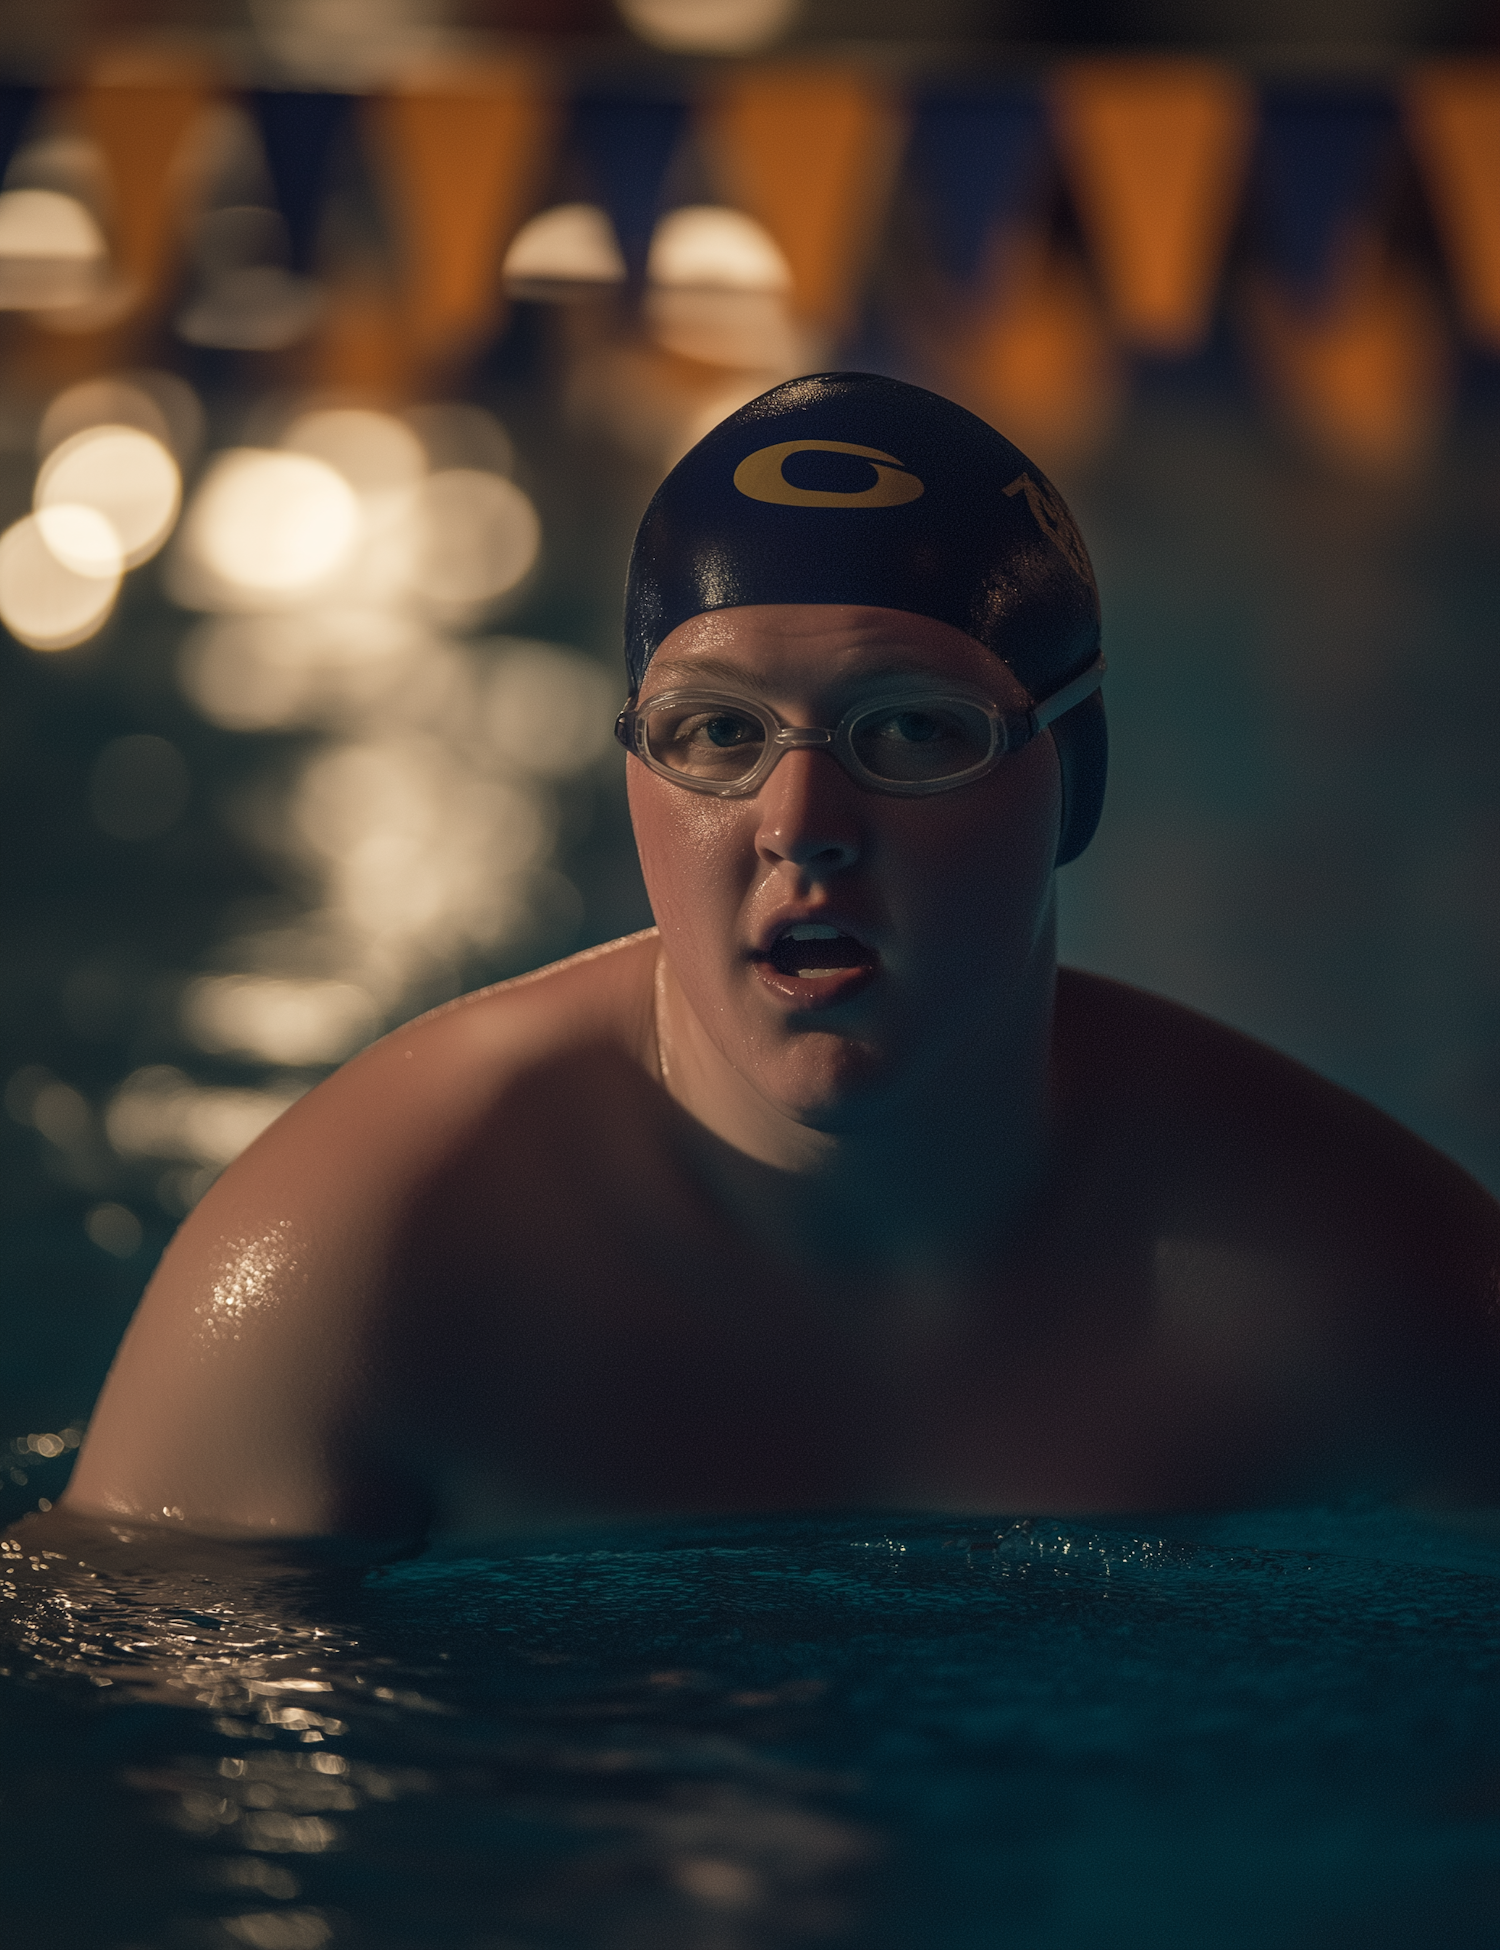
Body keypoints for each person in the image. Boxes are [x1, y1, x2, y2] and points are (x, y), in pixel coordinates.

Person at [60, 373, 1500, 1554]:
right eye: (716, 735)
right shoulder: (361, 1261)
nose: (801, 827)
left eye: (911, 733)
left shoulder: (1365, 1284)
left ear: (1077, 778)